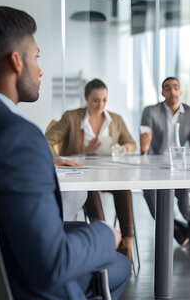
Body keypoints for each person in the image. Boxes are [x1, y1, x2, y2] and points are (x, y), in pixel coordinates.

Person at [0, 6, 129, 299]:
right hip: (19, 287)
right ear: (16, 62)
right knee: (120, 264)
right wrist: (104, 233)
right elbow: (50, 266)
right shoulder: (18, 136)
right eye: (36, 57)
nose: (40, 70)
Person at [45, 78, 137, 263]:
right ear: (87, 98)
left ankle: (126, 242)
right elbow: (46, 140)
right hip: (83, 174)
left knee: (123, 187)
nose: (100, 104)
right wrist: (63, 157)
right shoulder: (71, 117)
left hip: (108, 173)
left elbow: (131, 144)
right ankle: (103, 238)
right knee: (90, 188)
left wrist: (120, 149)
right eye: (96, 100)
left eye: (104, 100)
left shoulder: (116, 120)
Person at [140, 76, 190, 245]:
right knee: (149, 192)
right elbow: (145, 144)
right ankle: (175, 228)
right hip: (156, 166)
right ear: (162, 93)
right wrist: (144, 149)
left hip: (180, 166)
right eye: (167, 88)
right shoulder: (150, 111)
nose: (172, 91)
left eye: (175, 87)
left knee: (186, 199)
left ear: (180, 91)